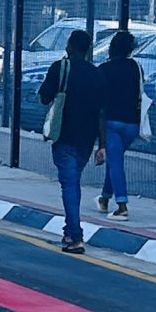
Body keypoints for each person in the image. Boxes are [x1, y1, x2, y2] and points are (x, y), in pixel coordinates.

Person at [39, 27, 106, 252]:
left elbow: (43, 97)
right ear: (88, 50)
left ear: (69, 46)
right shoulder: (97, 74)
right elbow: (101, 112)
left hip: (64, 135)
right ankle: (70, 233)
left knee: (69, 184)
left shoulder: (60, 68)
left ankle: (75, 235)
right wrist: (102, 145)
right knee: (73, 181)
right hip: (86, 140)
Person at [96, 28, 143, 218]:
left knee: (116, 163)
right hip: (132, 123)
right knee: (114, 160)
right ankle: (105, 197)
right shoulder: (135, 67)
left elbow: (98, 102)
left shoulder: (103, 70)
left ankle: (122, 205)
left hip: (111, 123)